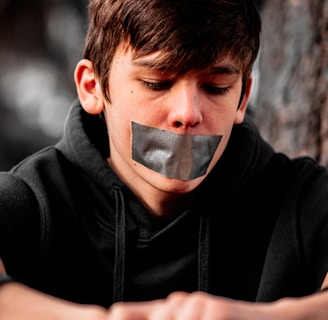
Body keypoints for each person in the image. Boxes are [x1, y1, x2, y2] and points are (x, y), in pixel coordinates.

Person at [1, 0, 328, 319]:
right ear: (92, 87)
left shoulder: (305, 200)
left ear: (243, 98)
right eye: (157, 83)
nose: (188, 113)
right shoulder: (29, 199)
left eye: (216, 87)